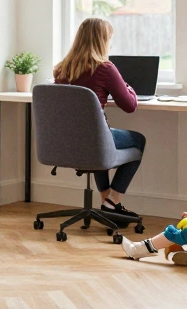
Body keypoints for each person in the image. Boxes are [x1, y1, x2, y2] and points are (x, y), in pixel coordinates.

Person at [53, 17, 146, 221]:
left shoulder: (60, 69)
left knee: (96, 141)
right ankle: (112, 200)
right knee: (138, 140)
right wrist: (129, 88)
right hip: (94, 140)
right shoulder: (105, 68)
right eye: (109, 38)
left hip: (67, 141)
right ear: (102, 40)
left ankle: (106, 202)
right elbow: (129, 106)